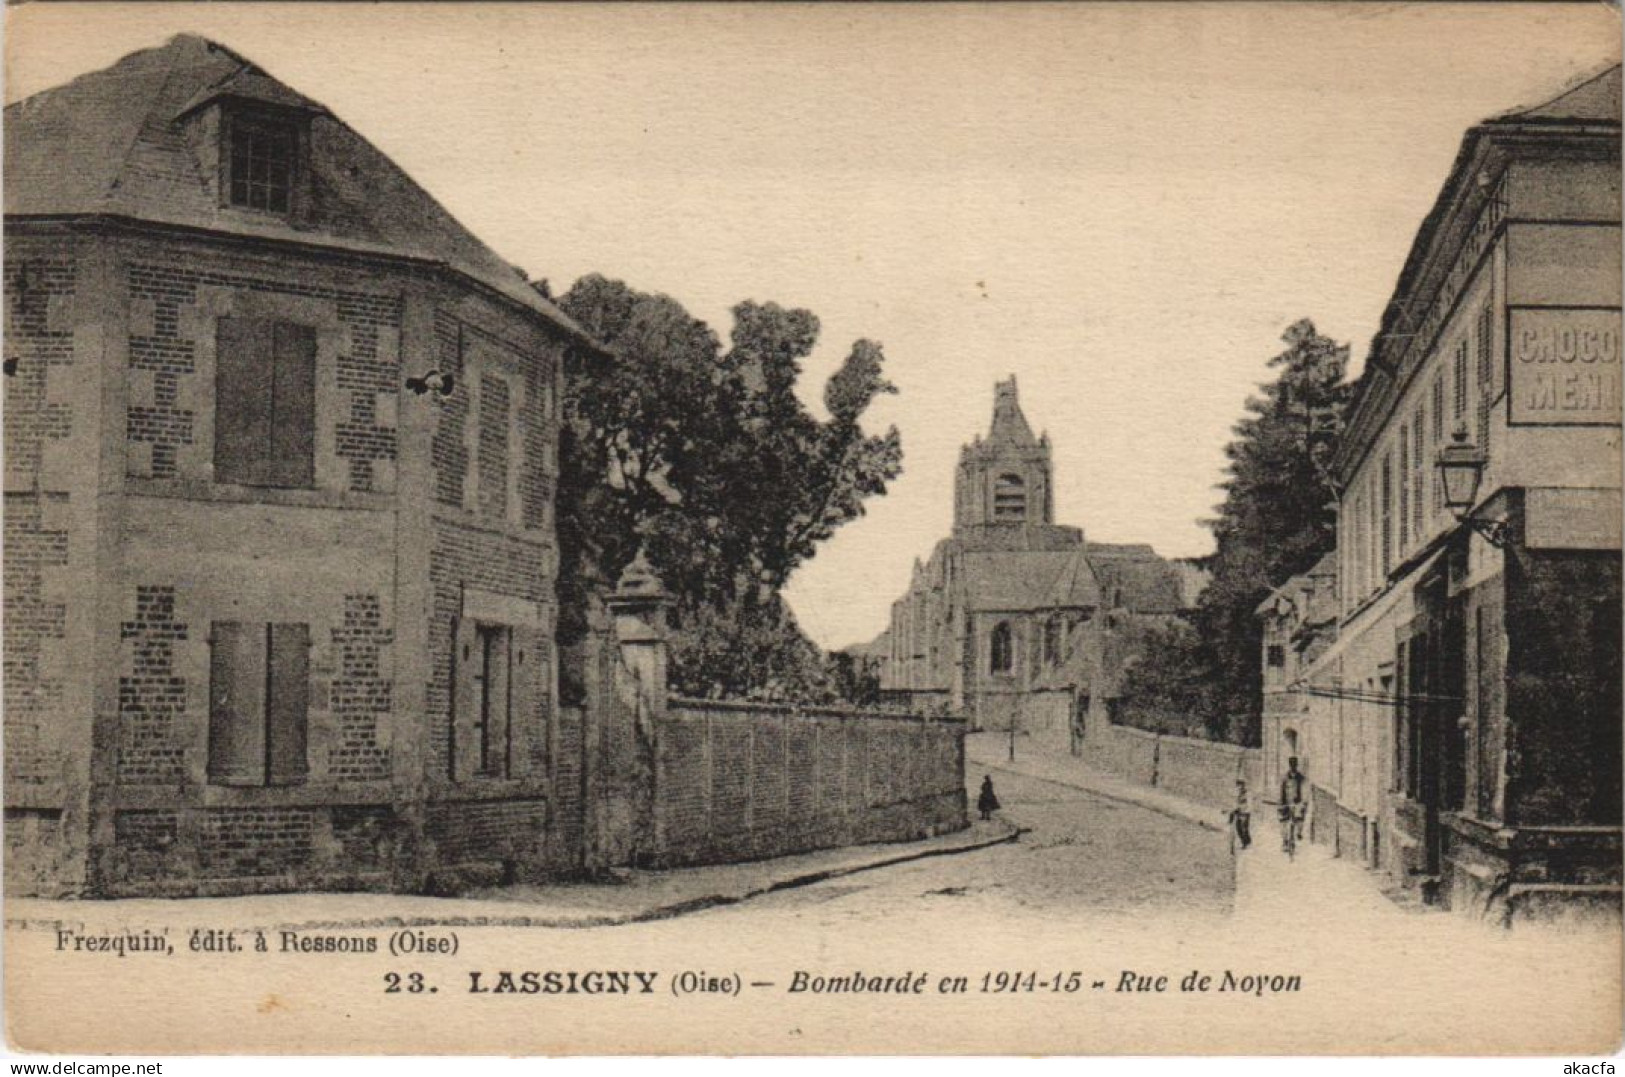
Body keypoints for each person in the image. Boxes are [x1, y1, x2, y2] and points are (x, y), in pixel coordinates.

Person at [1279, 756, 1307, 851]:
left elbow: (1304, 791)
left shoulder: (1301, 778)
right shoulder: (1285, 778)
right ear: (1289, 765)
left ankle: (1298, 833)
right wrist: (1281, 804)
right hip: (1287, 802)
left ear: (1297, 765)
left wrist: (1303, 802)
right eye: (1291, 765)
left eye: (1294, 765)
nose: (1293, 767)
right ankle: (1285, 841)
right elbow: (1282, 791)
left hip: (1297, 803)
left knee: (1299, 819)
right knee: (1284, 822)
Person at [1228, 778, 1252, 852]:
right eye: (1238, 785)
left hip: (1245, 813)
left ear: (1243, 785)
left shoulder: (1247, 793)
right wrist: (1234, 810)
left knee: (1244, 828)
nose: (1239, 787)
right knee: (1238, 828)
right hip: (1239, 813)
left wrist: (1245, 810)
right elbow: (1235, 803)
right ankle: (1247, 841)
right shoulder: (1237, 793)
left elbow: (1249, 804)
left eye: (1240, 785)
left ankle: (1245, 843)